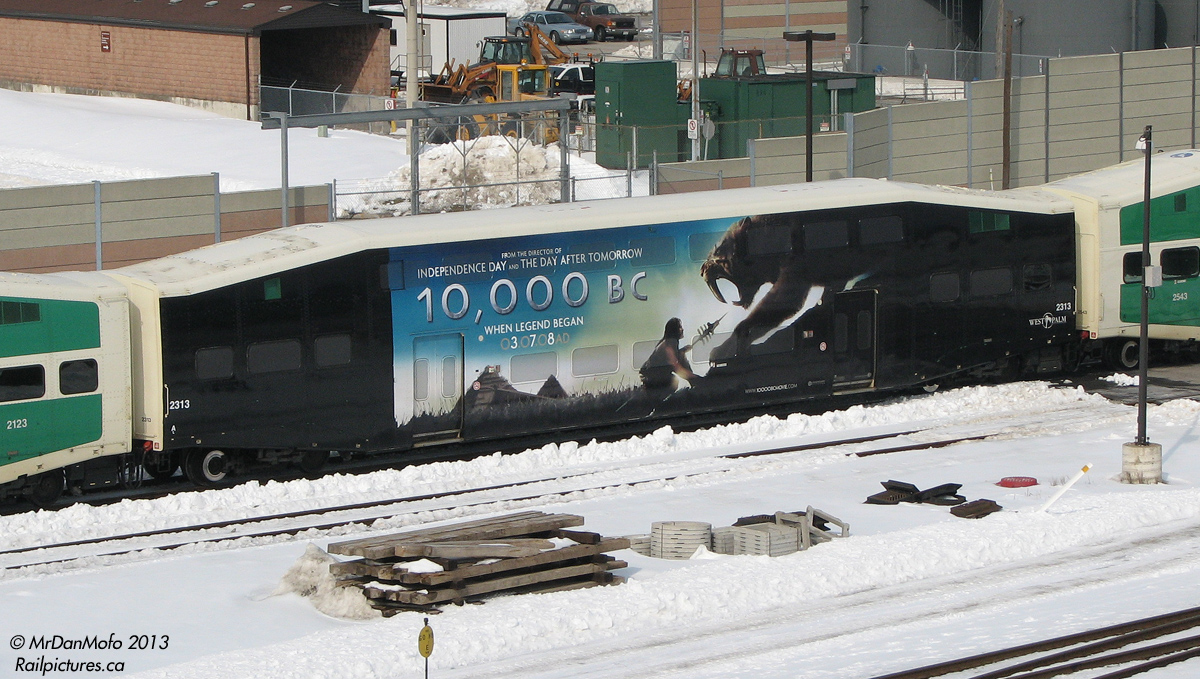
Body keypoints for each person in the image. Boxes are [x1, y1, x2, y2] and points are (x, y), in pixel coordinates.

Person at [640, 318, 697, 394]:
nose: (682, 329)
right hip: (654, 378)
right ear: (675, 330)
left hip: (651, 376)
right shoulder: (671, 343)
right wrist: (694, 378)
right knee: (674, 381)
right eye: (680, 327)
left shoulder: (666, 342)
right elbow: (675, 366)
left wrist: (682, 351)